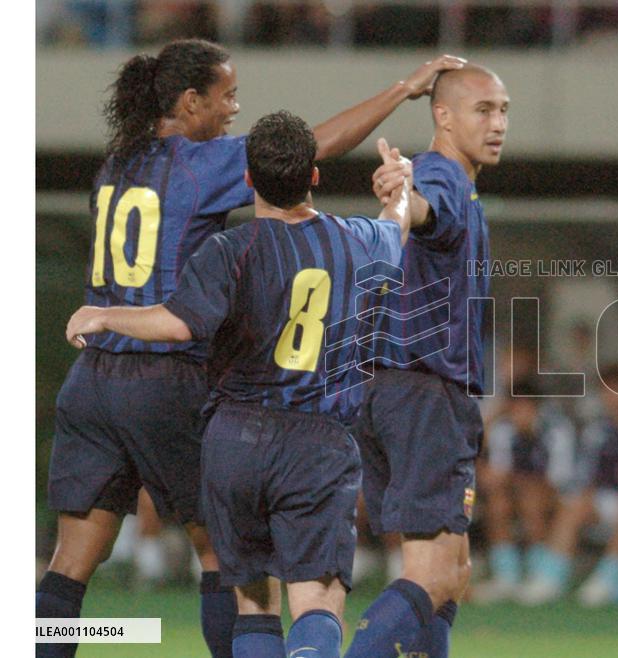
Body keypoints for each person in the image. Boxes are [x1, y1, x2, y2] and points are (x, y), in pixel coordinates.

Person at [38, 37, 462, 658]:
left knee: (67, 567)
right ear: (189, 102)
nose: (234, 108)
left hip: (95, 376)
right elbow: (314, 145)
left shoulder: (119, 162)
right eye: (227, 95)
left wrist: (105, 315)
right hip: (168, 381)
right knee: (231, 569)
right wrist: (404, 89)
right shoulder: (205, 167)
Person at [344, 64, 509, 657]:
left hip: (392, 390)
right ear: (443, 116)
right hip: (425, 395)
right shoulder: (442, 177)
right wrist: (405, 200)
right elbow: (426, 212)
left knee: (452, 571)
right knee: (434, 574)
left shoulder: (449, 178)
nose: (498, 124)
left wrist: (405, 198)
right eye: (483, 110)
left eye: (503, 110)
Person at [518, 367, 618, 607]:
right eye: (607, 391)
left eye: (617, 391)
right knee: (574, 506)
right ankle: (549, 579)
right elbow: (585, 475)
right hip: (604, 499)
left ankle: (607, 579)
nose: (611, 397)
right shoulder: (596, 430)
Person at [473, 378, 576, 603]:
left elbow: (560, 480)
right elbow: (498, 474)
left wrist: (522, 484)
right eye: (515, 407)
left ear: (536, 407)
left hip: (556, 497)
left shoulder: (557, 430)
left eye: (524, 407)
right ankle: (506, 576)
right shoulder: (504, 431)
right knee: (497, 500)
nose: (519, 413)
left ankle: (540, 574)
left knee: (532, 497)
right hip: (516, 493)